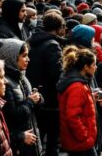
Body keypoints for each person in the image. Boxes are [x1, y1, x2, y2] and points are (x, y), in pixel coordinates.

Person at [26, 12, 66, 156]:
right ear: (58, 27)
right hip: (49, 97)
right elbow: (56, 73)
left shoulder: (34, 39)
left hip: (37, 91)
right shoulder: (52, 45)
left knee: (39, 134)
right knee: (52, 140)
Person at [0, 38, 43, 156]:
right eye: (24, 56)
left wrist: (38, 99)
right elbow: (13, 115)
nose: (28, 59)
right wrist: (30, 101)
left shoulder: (22, 77)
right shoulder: (5, 83)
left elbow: (33, 107)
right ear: (12, 57)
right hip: (18, 143)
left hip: (30, 137)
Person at [56, 47, 101, 156]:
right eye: (94, 64)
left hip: (78, 143)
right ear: (86, 67)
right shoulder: (77, 86)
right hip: (81, 145)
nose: (96, 67)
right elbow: (72, 116)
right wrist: (85, 137)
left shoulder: (78, 81)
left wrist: (92, 98)